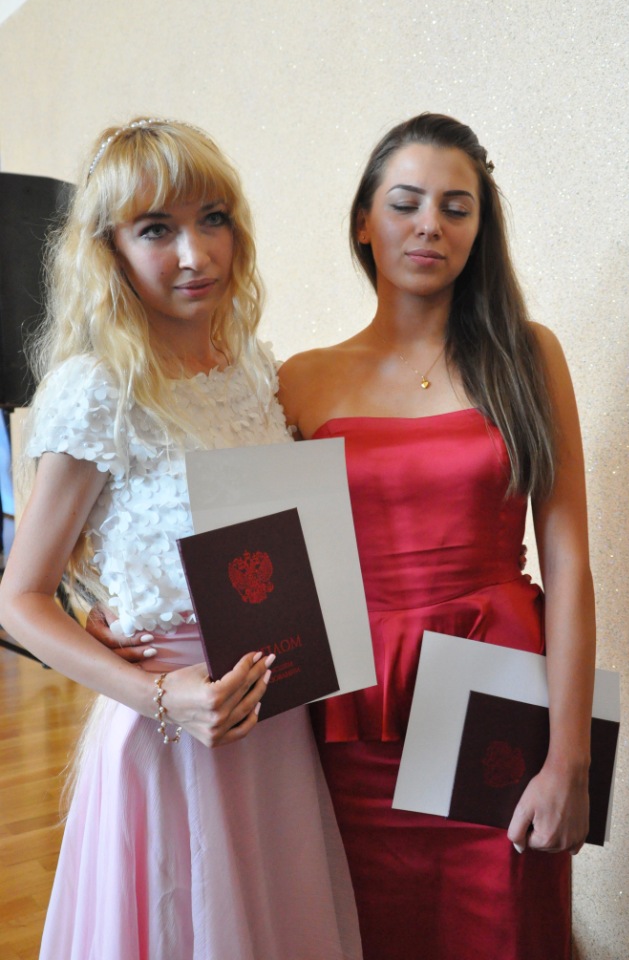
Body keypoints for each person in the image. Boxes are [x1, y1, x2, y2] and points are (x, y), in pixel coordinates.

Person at [0, 118, 361, 960]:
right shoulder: (97, 388)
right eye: (157, 229)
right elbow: (20, 599)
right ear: (110, 250)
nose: (195, 254)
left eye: (213, 219)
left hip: (274, 719)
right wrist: (163, 696)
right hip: (171, 728)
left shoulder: (251, 367)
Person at [277, 113, 596, 960]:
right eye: (406, 203)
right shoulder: (300, 380)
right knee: (368, 929)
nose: (430, 225)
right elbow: (266, 572)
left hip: (499, 696)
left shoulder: (527, 356)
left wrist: (569, 760)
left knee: (502, 928)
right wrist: (139, 620)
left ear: (480, 231)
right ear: (364, 222)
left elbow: (568, 565)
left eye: (456, 208)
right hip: (356, 712)